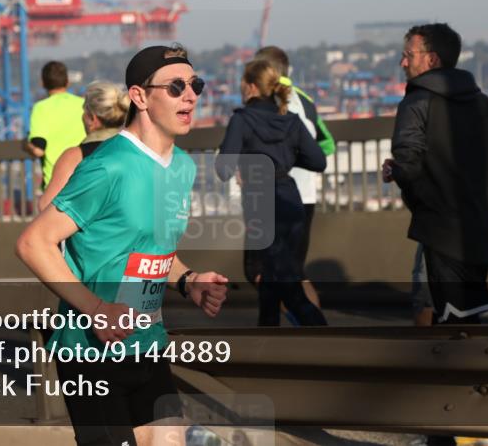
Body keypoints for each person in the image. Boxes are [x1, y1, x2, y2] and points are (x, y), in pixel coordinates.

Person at [17, 44, 229, 446]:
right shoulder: (107, 166)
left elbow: (150, 248)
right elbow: (33, 242)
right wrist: (97, 309)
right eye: (176, 86)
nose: (190, 95)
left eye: (195, 85)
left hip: (148, 343)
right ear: (139, 97)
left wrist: (188, 281)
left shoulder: (182, 167)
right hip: (91, 354)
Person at [381, 24, 488, 446]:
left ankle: (464, 430)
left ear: (431, 59)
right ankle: (468, 428)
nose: (402, 61)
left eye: (408, 53)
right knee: (468, 322)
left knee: (453, 331)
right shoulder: (486, 104)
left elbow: (408, 163)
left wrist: (428, 200)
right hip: (481, 231)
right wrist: (479, 190)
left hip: (442, 231)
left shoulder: (417, 102)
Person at [215, 59, 328, 327]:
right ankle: (266, 340)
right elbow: (318, 161)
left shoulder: (242, 120)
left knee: (288, 287)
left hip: (261, 203)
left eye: (243, 82)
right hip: (290, 199)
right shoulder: (290, 120)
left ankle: (328, 339)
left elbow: (223, 169)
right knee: (271, 281)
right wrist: (283, 160)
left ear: (252, 87)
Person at [254, 46, 334, 313]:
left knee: (263, 271)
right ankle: (312, 325)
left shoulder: (264, 102)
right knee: (294, 271)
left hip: (275, 196)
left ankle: (300, 326)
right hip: (306, 196)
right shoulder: (305, 100)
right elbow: (328, 144)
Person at [38, 81, 130, 212]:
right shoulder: (134, 150)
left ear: (92, 119)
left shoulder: (75, 156)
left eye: (84, 112)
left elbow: (46, 204)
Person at [22, 61, 86, 191]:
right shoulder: (83, 104)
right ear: (67, 82)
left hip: (55, 185)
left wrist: (26, 144)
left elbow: (38, 150)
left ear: (42, 83)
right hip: (84, 180)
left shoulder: (40, 108)